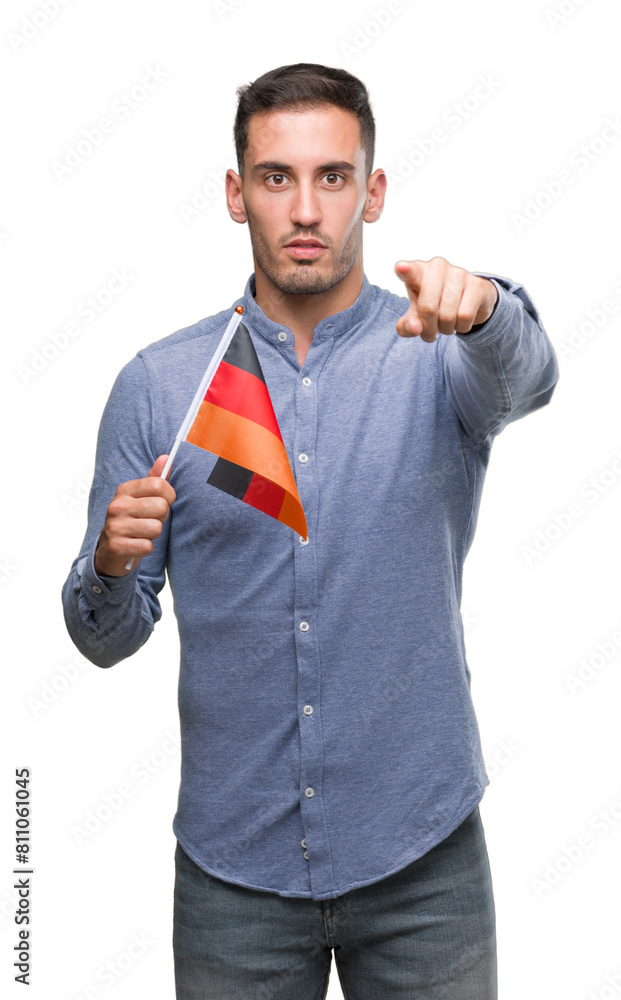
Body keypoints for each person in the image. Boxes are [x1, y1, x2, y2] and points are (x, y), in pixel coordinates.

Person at [62, 62, 559, 999]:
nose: (303, 209)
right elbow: (104, 638)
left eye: (332, 177)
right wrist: (108, 565)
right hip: (232, 876)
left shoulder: (440, 355)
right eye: (274, 177)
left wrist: (488, 309)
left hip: (423, 860)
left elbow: (529, 376)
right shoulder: (165, 386)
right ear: (234, 193)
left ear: (371, 193)